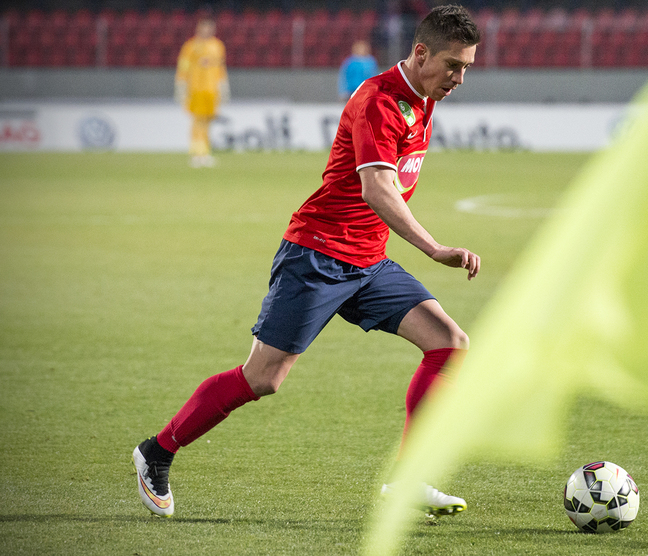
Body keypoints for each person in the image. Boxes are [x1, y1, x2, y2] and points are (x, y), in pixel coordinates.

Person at [133, 5, 482, 519]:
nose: (459, 78)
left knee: (449, 343)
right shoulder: (379, 101)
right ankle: (156, 451)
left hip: (368, 261)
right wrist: (434, 248)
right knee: (263, 378)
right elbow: (377, 188)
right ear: (421, 52)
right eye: (453, 65)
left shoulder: (424, 98)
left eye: (467, 68)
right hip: (318, 255)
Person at [175, 16, 229, 168]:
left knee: (207, 121)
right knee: (197, 120)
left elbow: (221, 68)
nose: (207, 30)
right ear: (198, 28)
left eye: (210, 27)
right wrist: (180, 85)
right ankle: (196, 154)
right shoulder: (190, 46)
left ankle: (204, 152)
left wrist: (223, 86)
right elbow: (183, 67)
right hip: (196, 89)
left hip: (211, 90)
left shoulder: (218, 46)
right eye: (204, 27)